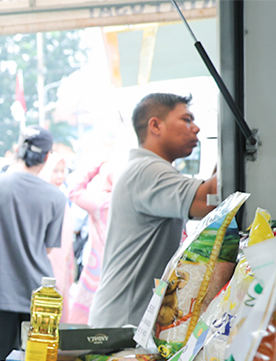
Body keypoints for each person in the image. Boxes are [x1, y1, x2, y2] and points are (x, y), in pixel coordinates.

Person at [89, 93, 217, 328]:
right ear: (155, 125)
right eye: (187, 119)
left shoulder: (146, 168)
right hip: (123, 326)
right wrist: (232, 142)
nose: (196, 128)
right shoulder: (147, 170)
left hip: (122, 321)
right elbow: (208, 200)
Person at [0, 126, 67, 361]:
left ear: (17, 150)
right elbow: (48, 248)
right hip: (39, 294)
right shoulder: (56, 197)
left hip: (1, 291)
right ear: (46, 157)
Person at [66, 161, 113, 324]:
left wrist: (95, 167)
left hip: (97, 270)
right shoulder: (134, 201)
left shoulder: (102, 203)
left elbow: (73, 190)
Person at [39, 152, 74, 320]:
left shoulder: (63, 197)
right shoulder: (43, 198)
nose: (60, 176)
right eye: (55, 171)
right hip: (48, 259)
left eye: (62, 171)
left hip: (63, 261)